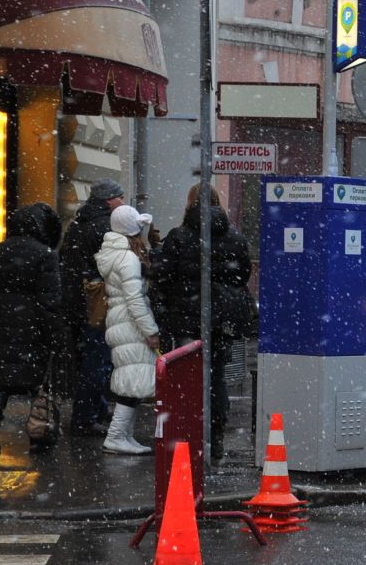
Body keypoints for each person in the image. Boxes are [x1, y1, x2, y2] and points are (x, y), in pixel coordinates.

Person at [153, 186, 254, 458]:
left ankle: (189, 435)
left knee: (186, 377)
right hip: (220, 321)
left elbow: (162, 276)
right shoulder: (233, 236)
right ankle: (215, 434)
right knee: (216, 377)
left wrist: (168, 307)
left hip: (186, 320)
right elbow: (242, 274)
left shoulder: (179, 236)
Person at [0, 204, 63, 463]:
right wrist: (55, 332)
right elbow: (50, 300)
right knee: (38, 382)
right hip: (31, 325)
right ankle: (39, 433)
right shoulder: (45, 255)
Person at [60, 180, 125, 435]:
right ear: (109, 200)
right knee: (97, 361)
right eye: (120, 197)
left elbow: (67, 261)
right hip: (96, 304)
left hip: (77, 303)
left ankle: (95, 409)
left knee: (89, 359)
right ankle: (85, 418)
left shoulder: (78, 223)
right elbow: (111, 266)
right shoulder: (105, 226)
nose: (123, 201)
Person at [97, 205, 159, 455]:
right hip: (130, 324)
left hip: (120, 321)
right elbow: (135, 299)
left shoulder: (115, 254)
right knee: (133, 380)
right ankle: (116, 436)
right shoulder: (128, 258)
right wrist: (150, 330)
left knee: (133, 379)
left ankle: (124, 436)